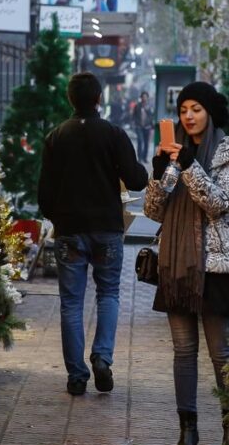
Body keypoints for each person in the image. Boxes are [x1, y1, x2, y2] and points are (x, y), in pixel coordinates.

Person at [143, 82, 229, 445]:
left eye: (196, 109)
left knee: (221, 353)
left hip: (216, 268)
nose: (189, 116)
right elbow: (153, 212)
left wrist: (189, 167)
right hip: (176, 267)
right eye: (184, 109)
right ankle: (187, 430)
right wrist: (159, 173)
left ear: (210, 112)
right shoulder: (177, 154)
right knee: (184, 351)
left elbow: (221, 204)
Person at [38, 72, 149, 396]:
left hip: (70, 230)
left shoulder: (56, 137)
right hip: (107, 230)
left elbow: (44, 193)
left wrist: (57, 216)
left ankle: (76, 376)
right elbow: (138, 179)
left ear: (70, 99)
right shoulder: (114, 134)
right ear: (99, 99)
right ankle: (102, 357)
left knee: (71, 302)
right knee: (109, 293)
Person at [132, 91, 154, 163]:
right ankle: (140, 158)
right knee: (140, 141)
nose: (144, 98)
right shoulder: (137, 106)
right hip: (139, 126)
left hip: (147, 127)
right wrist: (135, 122)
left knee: (146, 143)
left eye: (145, 97)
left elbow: (151, 116)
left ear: (147, 98)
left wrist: (151, 125)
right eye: (143, 97)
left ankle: (145, 157)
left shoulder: (149, 107)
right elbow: (134, 115)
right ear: (141, 98)